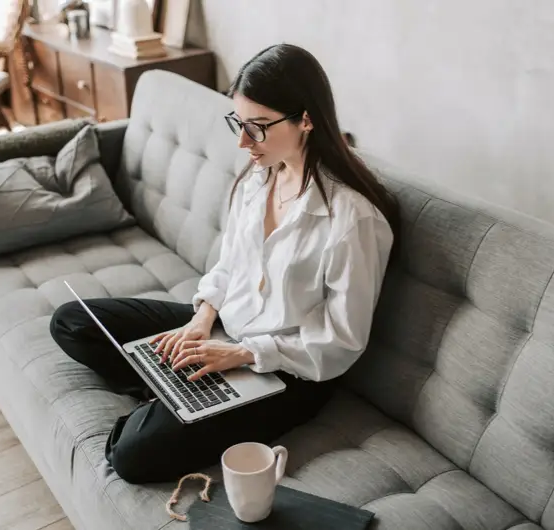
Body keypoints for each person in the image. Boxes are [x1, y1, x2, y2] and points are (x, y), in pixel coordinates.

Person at [49, 43, 398, 485]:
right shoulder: (260, 177)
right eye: (239, 123)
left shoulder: (353, 219)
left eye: (256, 127)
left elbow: (341, 341)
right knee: (72, 322)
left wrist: (241, 354)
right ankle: (179, 387)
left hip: (287, 371)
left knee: (130, 455)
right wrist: (200, 320)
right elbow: (229, 266)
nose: (242, 141)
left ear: (306, 119)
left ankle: (176, 394)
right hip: (224, 330)